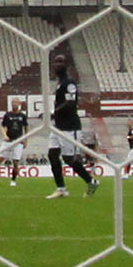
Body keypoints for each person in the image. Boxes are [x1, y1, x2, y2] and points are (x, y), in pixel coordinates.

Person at [46, 54, 98, 199]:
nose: (57, 65)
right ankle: (61, 188)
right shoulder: (60, 83)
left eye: (60, 62)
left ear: (65, 66)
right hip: (58, 127)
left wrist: (54, 111)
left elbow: (71, 103)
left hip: (70, 127)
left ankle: (91, 181)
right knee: (52, 155)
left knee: (69, 159)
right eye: (56, 63)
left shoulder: (69, 83)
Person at [0, 97, 27, 187]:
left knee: (15, 163)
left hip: (18, 142)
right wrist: (5, 135)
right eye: (12, 102)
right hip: (8, 141)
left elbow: (26, 128)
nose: (14, 104)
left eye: (16, 102)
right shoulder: (7, 115)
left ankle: (13, 180)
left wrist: (26, 140)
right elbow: (3, 126)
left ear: (19, 104)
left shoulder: (22, 116)